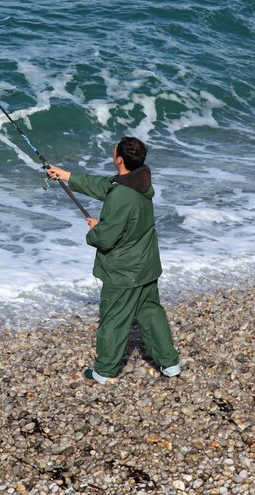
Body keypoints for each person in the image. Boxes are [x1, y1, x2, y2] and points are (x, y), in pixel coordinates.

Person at [47, 136, 180, 385]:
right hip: (146, 265)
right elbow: (107, 187)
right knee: (151, 313)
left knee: (114, 318)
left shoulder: (122, 195)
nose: (113, 148)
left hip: (125, 271)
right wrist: (66, 176)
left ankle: (104, 372)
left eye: (115, 147)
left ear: (119, 158)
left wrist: (96, 229)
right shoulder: (139, 180)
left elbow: (106, 238)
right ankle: (170, 364)